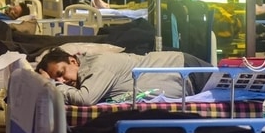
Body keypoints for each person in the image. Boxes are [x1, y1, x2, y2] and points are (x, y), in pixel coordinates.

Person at [36, 47, 212, 105]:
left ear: (73, 61)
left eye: (60, 73)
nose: (62, 80)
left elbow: (86, 99)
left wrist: (50, 85)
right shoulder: (87, 76)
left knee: (236, 88)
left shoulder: (99, 66)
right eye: (55, 79)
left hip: (185, 71)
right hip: (183, 77)